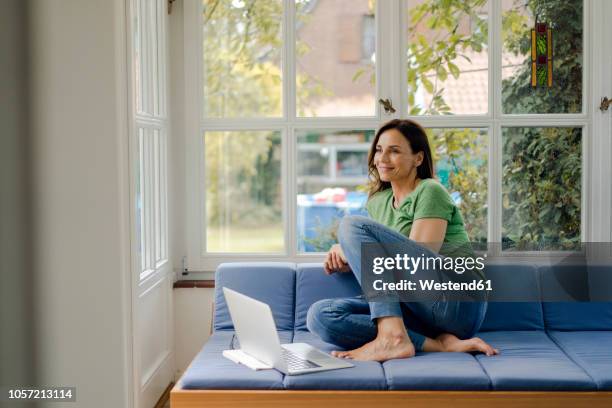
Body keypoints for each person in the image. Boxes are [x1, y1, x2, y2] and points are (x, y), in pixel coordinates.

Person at [306, 119, 499, 362]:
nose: (382, 158)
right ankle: (433, 343)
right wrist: (354, 255)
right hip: (418, 311)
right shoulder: (378, 203)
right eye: (379, 149)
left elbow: (417, 263)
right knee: (321, 316)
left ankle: (393, 337)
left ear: (418, 159)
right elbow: (382, 266)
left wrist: (350, 247)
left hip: (457, 304)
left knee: (350, 225)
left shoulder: (429, 191)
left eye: (394, 151)